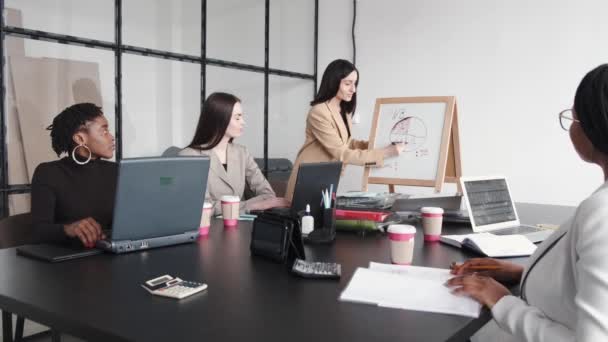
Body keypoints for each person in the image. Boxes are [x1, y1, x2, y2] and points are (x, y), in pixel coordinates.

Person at [446, 64, 608, 341]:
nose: (571, 126)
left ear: (594, 125)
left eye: (574, 116)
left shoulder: (601, 212)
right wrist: (525, 274)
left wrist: (500, 299)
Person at [285, 59, 404, 201]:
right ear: (333, 82)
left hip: (326, 181)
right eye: (348, 84)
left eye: (355, 83)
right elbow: (342, 153)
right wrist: (385, 153)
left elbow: (346, 142)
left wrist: (373, 144)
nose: (353, 89)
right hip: (307, 183)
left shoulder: (344, 111)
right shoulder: (319, 112)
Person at [180, 92, 289, 215]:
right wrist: (253, 205)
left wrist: (247, 206)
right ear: (219, 119)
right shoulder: (190, 156)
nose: (243, 122)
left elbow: (268, 195)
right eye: (237, 118)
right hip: (210, 228)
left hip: (241, 225)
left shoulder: (242, 152)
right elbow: (202, 207)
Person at [31, 103, 117, 247]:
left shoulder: (116, 171)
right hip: (68, 261)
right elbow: (38, 231)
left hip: (111, 254)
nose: (112, 137)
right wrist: (68, 229)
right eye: (104, 131)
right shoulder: (48, 173)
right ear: (80, 138)